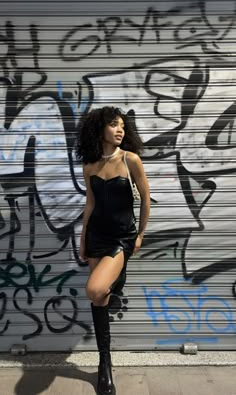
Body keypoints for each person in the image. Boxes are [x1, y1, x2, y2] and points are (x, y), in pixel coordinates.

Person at [76, 106, 150, 395]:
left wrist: (140, 234)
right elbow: (90, 205)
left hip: (121, 237)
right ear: (100, 129)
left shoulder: (130, 159)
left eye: (122, 126)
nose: (120, 130)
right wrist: (83, 240)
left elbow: (145, 199)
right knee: (100, 300)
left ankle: (118, 278)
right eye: (114, 125)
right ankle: (104, 363)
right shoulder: (90, 165)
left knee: (96, 289)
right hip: (96, 236)